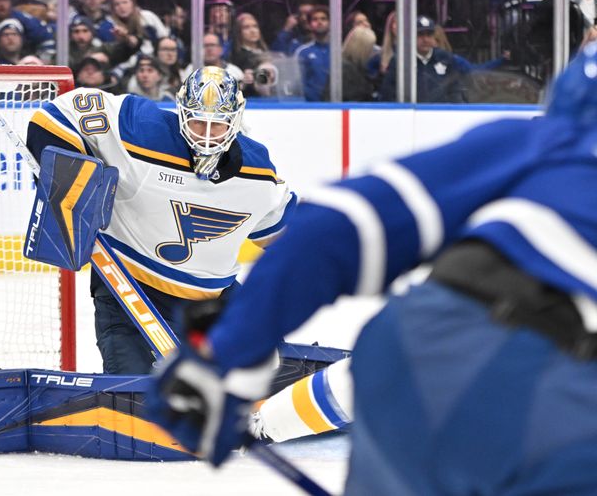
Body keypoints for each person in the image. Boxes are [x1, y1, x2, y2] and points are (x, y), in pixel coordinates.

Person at [146, 43, 597, 495]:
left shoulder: (540, 143)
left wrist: (228, 356)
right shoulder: (553, 144)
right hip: (563, 392)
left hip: (423, 337)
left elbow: (332, 229)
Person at [25, 66, 295, 375]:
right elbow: (57, 116)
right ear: (181, 111)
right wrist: (66, 180)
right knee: (134, 404)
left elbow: (287, 231)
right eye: (196, 121)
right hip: (129, 293)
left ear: (235, 120)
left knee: (273, 381)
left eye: (217, 125)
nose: (206, 136)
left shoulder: (258, 170)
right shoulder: (139, 128)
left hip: (213, 302)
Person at [380, 15, 470, 103]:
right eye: (420, 35)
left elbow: (455, 90)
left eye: (429, 35)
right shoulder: (400, 61)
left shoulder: (445, 58)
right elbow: (387, 94)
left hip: (441, 114)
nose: (425, 39)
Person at [295, 5, 330, 102]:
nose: (319, 22)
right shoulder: (302, 52)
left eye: (323, 19)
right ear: (310, 25)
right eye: (315, 19)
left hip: (336, 104)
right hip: (311, 106)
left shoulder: (339, 51)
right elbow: (298, 82)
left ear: (330, 23)